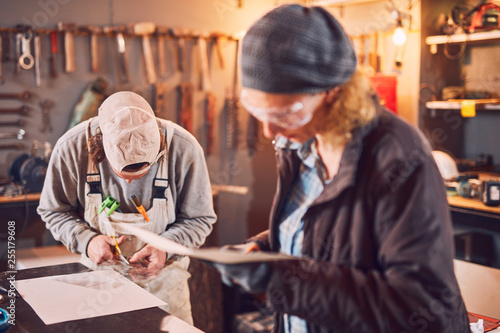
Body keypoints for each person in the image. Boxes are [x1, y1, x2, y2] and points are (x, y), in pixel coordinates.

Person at [213, 4, 470, 332]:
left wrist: (283, 280)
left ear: (333, 93)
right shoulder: (299, 145)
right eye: (259, 112)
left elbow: (418, 306)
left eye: (285, 114)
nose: (268, 132)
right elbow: (327, 234)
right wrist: (264, 250)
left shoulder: (398, 158)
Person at [37, 91, 216, 324]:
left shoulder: (184, 148)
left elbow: (200, 219)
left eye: (142, 173)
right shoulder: (71, 148)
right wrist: (87, 241)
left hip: (165, 284)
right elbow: (53, 211)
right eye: (122, 174)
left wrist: (165, 247)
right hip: (99, 284)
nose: (130, 183)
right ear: (99, 144)